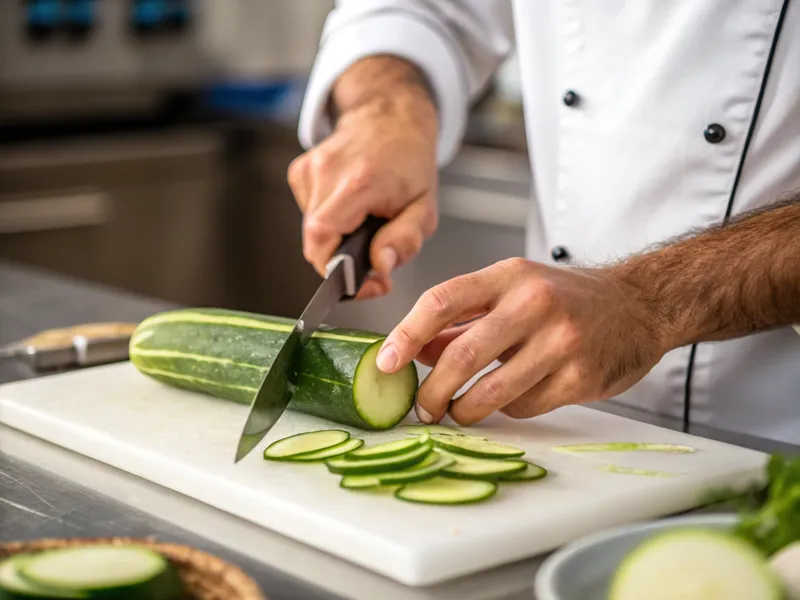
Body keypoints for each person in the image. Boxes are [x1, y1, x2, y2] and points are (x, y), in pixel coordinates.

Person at [288, 2, 800, 443]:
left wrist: (651, 301)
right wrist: (386, 109)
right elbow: (421, 10)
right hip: (564, 432)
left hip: (773, 435)